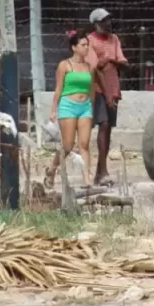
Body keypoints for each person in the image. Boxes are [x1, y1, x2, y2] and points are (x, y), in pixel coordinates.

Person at [48, 30, 96, 188]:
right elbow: (58, 89)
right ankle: (52, 169)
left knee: (84, 145)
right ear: (74, 47)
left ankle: (87, 179)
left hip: (85, 107)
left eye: (87, 45)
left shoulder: (89, 67)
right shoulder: (65, 65)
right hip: (68, 106)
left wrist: (91, 107)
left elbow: (92, 90)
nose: (86, 48)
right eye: (83, 45)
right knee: (68, 145)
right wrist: (54, 110)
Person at [87, 7, 127, 185]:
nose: (108, 24)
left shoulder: (114, 39)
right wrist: (107, 63)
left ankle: (100, 171)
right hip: (97, 89)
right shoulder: (90, 41)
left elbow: (123, 62)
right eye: (104, 21)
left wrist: (110, 61)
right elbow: (94, 67)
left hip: (112, 87)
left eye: (109, 20)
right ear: (96, 23)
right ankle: (102, 171)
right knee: (103, 124)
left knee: (108, 127)